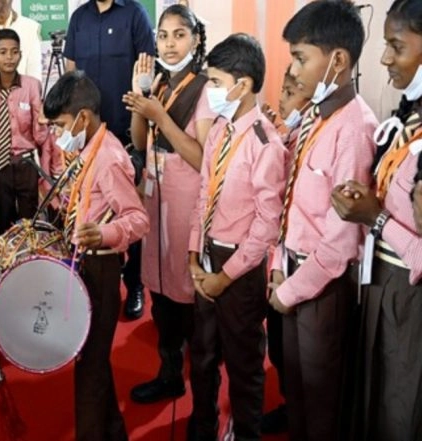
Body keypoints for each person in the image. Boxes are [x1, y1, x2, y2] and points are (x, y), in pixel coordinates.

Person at [268, 2, 377, 440]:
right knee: (295, 386)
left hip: (321, 287)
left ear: (338, 61)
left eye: (300, 57)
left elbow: (341, 240)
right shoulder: (318, 115)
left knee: (321, 400)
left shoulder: (355, 129)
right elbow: (291, 199)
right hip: (291, 275)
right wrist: (277, 265)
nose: (293, 69)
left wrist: (291, 290)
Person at [185, 33, 287, 441]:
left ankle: (246, 431)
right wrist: (194, 256)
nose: (209, 91)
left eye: (214, 82)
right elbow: (203, 196)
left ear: (241, 86)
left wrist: (224, 277)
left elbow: (266, 225)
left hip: (240, 270)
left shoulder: (265, 142)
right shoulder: (219, 133)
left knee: (244, 361)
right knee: (203, 355)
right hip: (207, 257)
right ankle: (203, 423)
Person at [329, 2, 422, 439]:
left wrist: (377, 217)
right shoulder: (410, 119)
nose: (384, 58)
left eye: (396, 46)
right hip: (382, 282)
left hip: (410, 300)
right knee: (373, 400)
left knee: (399, 410)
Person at [44, 71, 149, 441]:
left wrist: (102, 233)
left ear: (82, 118)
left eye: (60, 125)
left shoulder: (108, 157)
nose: (57, 134)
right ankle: (113, 432)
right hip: (83, 262)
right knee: (92, 360)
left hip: (101, 268)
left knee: (89, 367)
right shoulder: (87, 147)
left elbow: (138, 220)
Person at [121, 4, 214, 403]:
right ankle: (170, 370)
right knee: (159, 285)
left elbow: (202, 158)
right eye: (163, 35)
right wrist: (142, 97)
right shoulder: (158, 82)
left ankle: (203, 375)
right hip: (155, 197)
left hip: (186, 200)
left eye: (179, 35)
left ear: (195, 39)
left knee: (185, 287)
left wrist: (161, 114)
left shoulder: (207, 88)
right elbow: (140, 139)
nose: (170, 43)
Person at [64, 0, 155, 321]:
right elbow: (71, 73)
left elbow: (146, 74)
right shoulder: (78, 18)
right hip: (88, 139)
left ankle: (135, 286)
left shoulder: (135, 14)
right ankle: (96, 285)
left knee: (130, 212)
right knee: (93, 215)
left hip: (127, 138)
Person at [259, 66, 311, 435]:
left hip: (302, 259)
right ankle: (289, 403)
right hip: (279, 255)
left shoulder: (309, 137)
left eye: (290, 94)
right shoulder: (286, 133)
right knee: (279, 344)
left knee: (301, 352)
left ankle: (300, 412)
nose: (281, 101)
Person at [0, 29, 49, 239]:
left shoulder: (32, 86)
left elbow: (40, 138)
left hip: (26, 166)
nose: (9, 57)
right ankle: (2, 269)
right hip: (0, 165)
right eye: (3, 52)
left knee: (29, 225)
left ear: (20, 55)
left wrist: (42, 124)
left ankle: (29, 266)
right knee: (0, 226)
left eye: (14, 52)